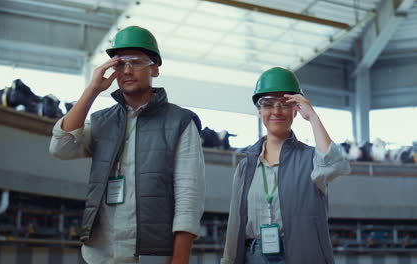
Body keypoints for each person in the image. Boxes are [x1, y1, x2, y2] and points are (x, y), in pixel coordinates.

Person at [49, 26, 205, 264]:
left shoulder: (180, 122)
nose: (127, 70)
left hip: (151, 256)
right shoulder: (102, 121)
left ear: (155, 68)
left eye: (136, 62)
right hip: (100, 255)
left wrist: (180, 259)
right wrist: (92, 91)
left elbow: (189, 196)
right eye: (120, 64)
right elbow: (60, 148)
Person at [221, 67, 350, 264]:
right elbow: (235, 223)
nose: (276, 111)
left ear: (295, 109)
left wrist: (313, 117)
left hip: (300, 255)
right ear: (259, 110)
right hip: (252, 256)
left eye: (285, 104)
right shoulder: (246, 167)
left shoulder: (310, 159)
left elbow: (334, 165)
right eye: (268, 104)